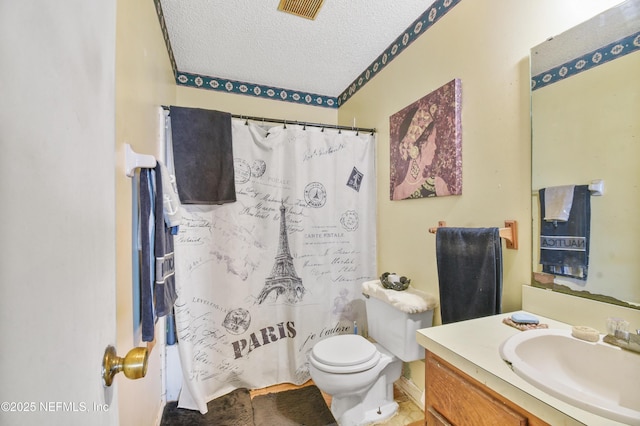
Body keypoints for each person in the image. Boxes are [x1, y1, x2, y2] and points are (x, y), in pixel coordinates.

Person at [392, 104, 450, 200]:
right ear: (416, 147)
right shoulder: (437, 185)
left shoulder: (437, 185)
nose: (435, 147)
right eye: (431, 141)